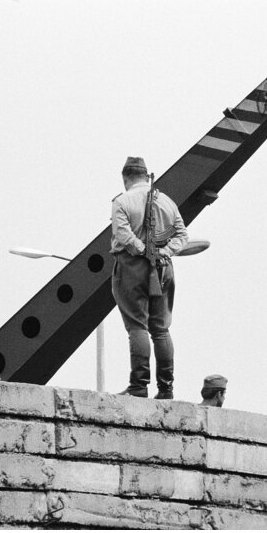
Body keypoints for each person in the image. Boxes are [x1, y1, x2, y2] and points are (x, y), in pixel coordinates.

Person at [111, 156, 188, 399]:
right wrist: (163, 252)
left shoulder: (122, 201)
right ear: (146, 175)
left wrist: (142, 250)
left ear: (126, 178)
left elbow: (123, 235)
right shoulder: (167, 202)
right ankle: (166, 388)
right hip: (164, 267)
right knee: (161, 329)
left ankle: (139, 385)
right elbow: (182, 236)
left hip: (132, 266)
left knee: (137, 325)